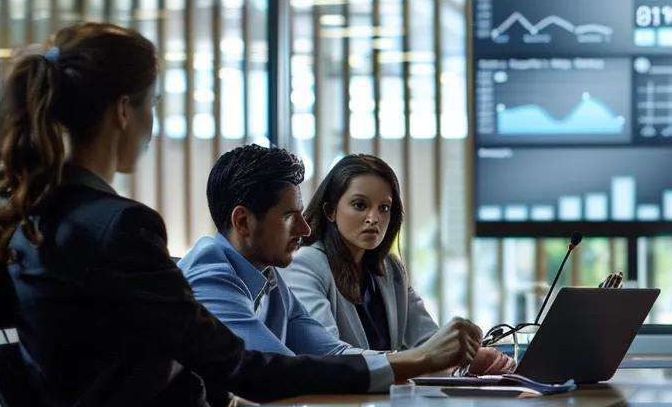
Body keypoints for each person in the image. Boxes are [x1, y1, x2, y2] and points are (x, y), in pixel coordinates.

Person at [0, 23, 469, 407]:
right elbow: (239, 366)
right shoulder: (118, 227)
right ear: (123, 111)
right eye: (151, 106)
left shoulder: (44, 219)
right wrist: (413, 362)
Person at [179, 145, 513, 390]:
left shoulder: (270, 278)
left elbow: (329, 351)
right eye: (288, 217)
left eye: (384, 209)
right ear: (243, 221)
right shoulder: (211, 271)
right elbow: (279, 372)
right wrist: (420, 359)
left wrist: (448, 356)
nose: (304, 230)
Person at [283, 154, 440, 351]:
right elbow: (326, 355)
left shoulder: (391, 269)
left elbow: (430, 342)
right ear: (330, 211)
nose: (374, 218)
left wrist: (471, 354)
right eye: (360, 205)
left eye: (384, 208)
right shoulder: (305, 264)